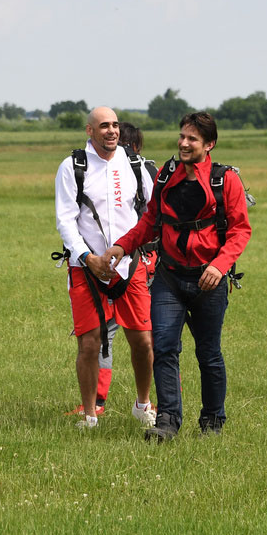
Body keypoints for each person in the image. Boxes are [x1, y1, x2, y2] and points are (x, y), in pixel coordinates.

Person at [105, 112, 252, 441]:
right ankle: (168, 421)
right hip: (169, 277)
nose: (184, 143)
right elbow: (150, 221)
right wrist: (121, 246)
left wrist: (220, 265)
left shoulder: (225, 180)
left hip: (208, 281)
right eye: (182, 136)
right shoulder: (166, 174)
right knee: (164, 347)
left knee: (208, 353)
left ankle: (213, 422)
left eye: (192, 139)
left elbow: (240, 230)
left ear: (209, 144)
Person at [54, 107, 157, 429]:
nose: (111, 131)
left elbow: (152, 216)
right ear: (90, 130)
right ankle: (89, 415)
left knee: (142, 340)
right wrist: (88, 258)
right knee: (90, 342)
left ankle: (143, 404)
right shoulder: (73, 166)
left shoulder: (137, 166)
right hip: (85, 266)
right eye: (103, 126)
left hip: (130, 264)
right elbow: (65, 219)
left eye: (114, 125)